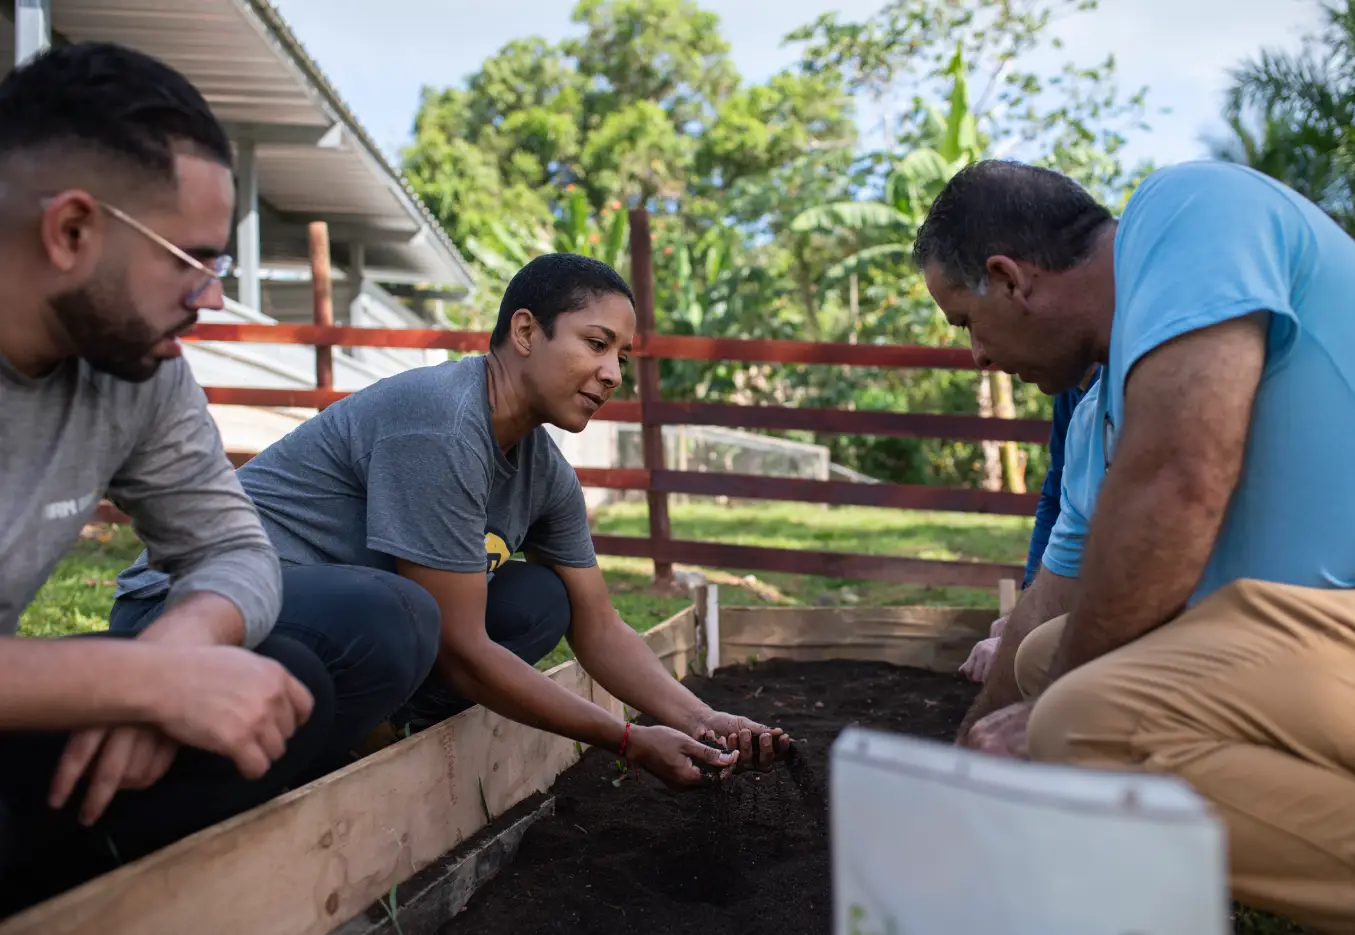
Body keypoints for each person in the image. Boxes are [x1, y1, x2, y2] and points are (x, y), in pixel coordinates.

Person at [913, 157, 1355, 935]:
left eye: (965, 323)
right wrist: (962, 770)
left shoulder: (1189, 209)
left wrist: (1038, 719)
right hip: (1330, 642)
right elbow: (1051, 598)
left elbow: (1183, 477)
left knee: (1076, 720)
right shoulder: (1096, 419)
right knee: (1047, 652)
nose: (975, 356)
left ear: (1011, 279)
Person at [111, 252, 790, 789]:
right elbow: (461, 650)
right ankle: (297, 769)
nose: (613, 373)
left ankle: (374, 735)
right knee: (401, 612)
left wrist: (705, 720)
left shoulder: (542, 469)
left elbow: (600, 625)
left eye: (623, 357)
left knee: (539, 599)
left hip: (330, 624)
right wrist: (626, 740)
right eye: (597, 343)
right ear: (525, 331)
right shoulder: (439, 422)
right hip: (184, 613)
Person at [0, 42, 341, 915]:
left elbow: (232, 545)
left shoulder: (137, 370)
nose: (213, 298)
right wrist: (144, 684)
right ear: (71, 230)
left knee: (283, 681)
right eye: (192, 260)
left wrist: (177, 647)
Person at [958, 364, 1099, 684]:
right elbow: (1057, 501)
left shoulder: (1129, 386)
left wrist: (1031, 621)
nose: (981, 357)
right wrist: (1026, 608)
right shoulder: (1070, 389)